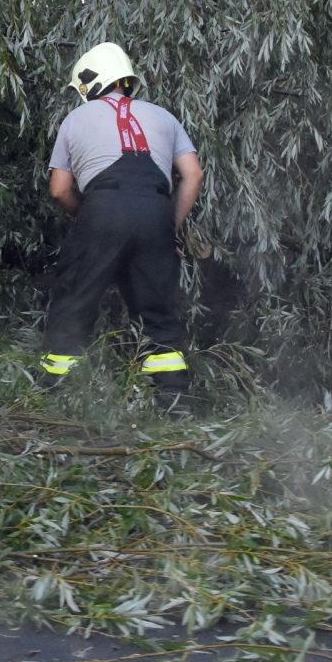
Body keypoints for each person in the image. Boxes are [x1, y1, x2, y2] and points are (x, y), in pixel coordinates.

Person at [39, 42, 204, 402]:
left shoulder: (75, 119)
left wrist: (88, 218)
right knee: (158, 316)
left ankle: (56, 401)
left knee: (75, 305)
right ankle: (173, 406)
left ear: (90, 84)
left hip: (102, 207)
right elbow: (192, 174)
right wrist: (168, 227)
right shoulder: (164, 116)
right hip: (156, 212)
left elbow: (59, 189)